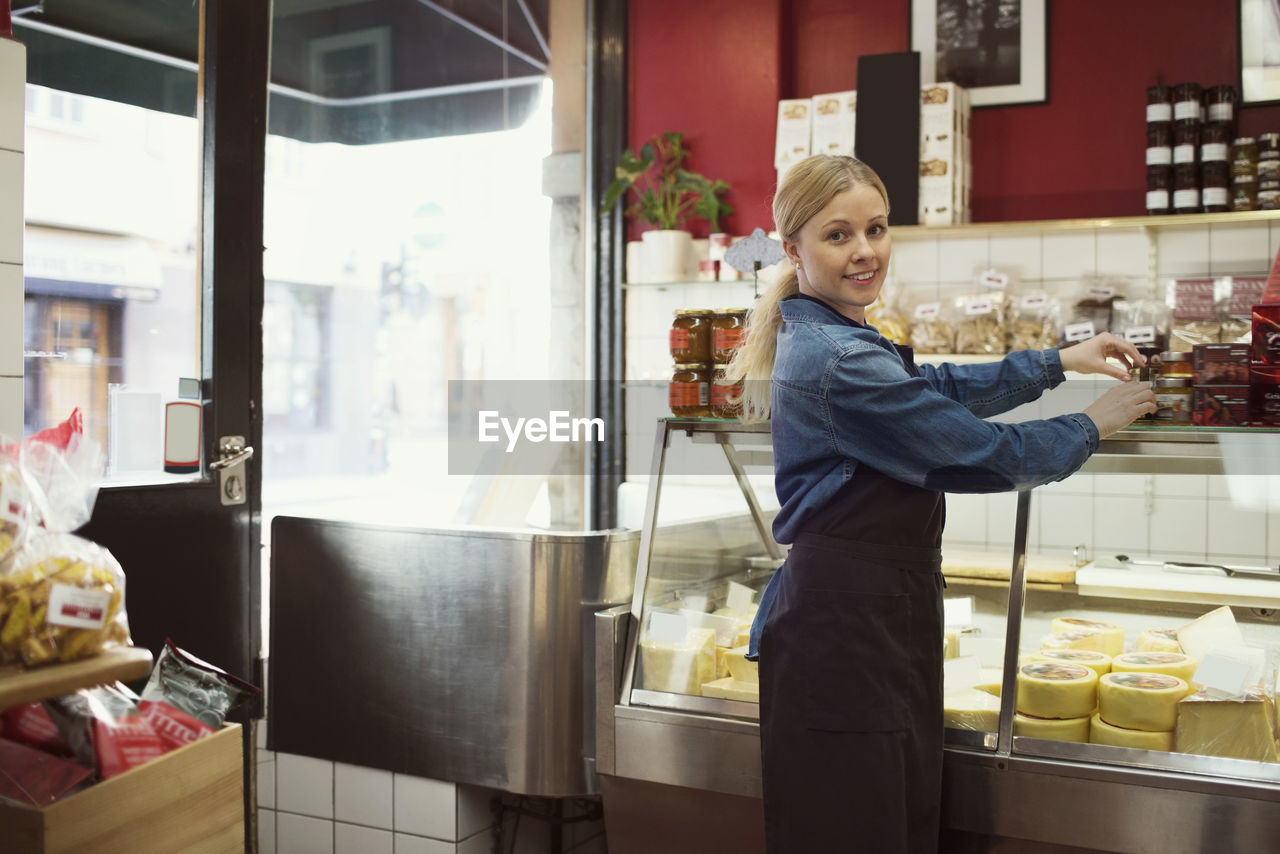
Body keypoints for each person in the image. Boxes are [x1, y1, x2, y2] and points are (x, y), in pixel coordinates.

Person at [722, 154, 1156, 853]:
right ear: (792, 248)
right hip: (844, 633)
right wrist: (1093, 422)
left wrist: (1056, 362)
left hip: (873, 621)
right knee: (856, 831)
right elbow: (982, 455)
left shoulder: (841, 336)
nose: (865, 252)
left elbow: (933, 388)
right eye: (838, 236)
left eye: (877, 228)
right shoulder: (837, 357)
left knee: (885, 820)